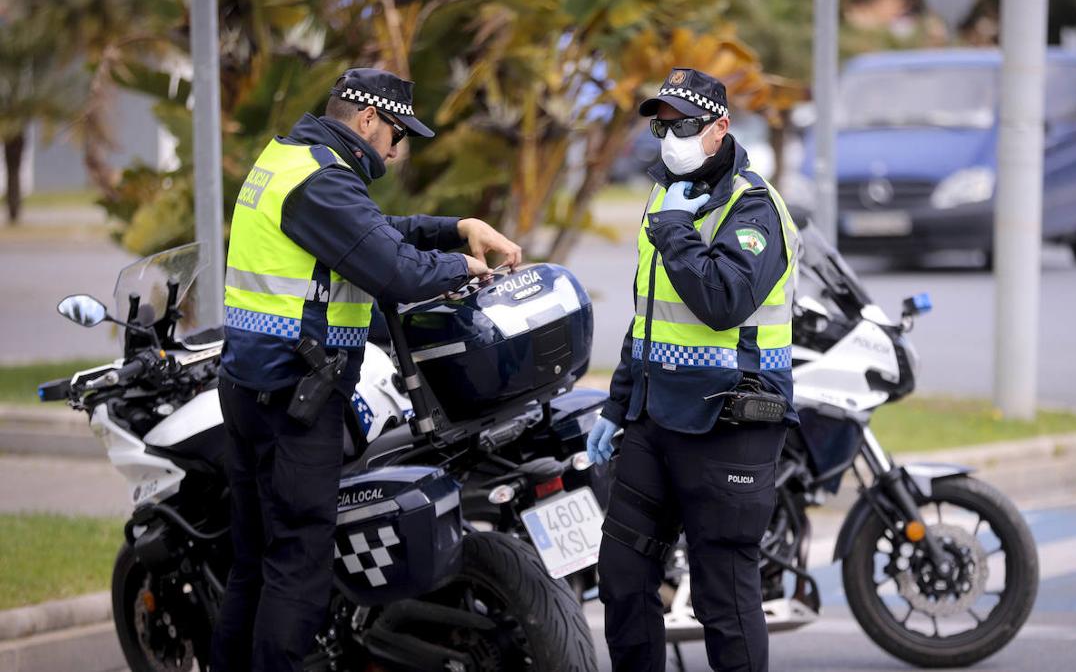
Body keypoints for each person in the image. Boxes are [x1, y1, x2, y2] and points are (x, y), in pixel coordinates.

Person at [212, 68, 521, 671]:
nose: (396, 149)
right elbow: (394, 268)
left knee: (255, 563)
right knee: (298, 563)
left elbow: (375, 233)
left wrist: (455, 228)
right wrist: (464, 268)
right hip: (294, 396)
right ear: (366, 119)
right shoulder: (320, 183)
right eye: (396, 133)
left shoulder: (293, 161)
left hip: (255, 386)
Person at [587, 67, 801, 672]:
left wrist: (676, 232)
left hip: (730, 424)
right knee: (623, 580)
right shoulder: (664, 195)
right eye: (661, 123)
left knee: (723, 597)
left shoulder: (755, 208)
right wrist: (616, 403)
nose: (668, 135)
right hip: (655, 421)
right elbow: (650, 318)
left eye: (683, 124)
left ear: (720, 129)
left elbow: (720, 301)